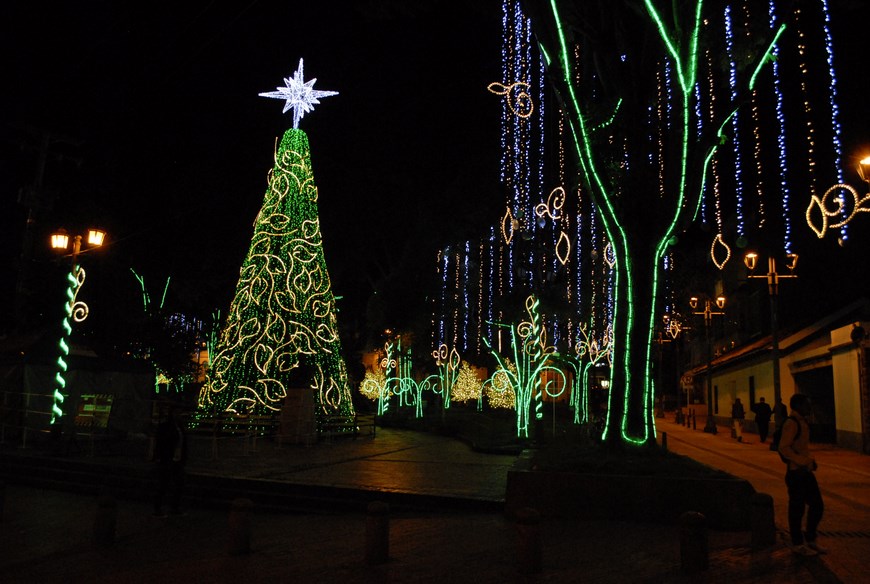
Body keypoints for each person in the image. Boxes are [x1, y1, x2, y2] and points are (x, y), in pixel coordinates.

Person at [779, 393, 826, 556]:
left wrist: (810, 461)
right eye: (806, 405)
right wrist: (802, 461)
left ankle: (811, 539)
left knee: (817, 505)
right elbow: (783, 447)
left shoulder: (802, 422)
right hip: (795, 473)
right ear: (798, 406)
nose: (809, 407)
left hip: (805, 471)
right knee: (797, 509)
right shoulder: (792, 423)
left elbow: (802, 447)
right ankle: (798, 543)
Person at [153, 404, 187, 517]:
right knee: (164, 484)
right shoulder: (166, 426)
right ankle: (158, 508)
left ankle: (174, 507)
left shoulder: (179, 426)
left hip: (177, 459)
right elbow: (161, 442)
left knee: (178, 484)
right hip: (168, 458)